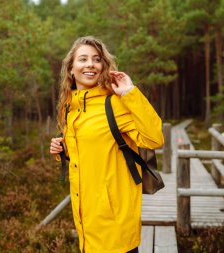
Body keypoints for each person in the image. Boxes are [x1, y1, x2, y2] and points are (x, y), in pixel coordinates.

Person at [49, 36, 164, 253]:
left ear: (103, 66)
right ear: (71, 69)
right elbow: (91, 151)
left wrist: (130, 93)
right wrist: (64, 151)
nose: (90, 64)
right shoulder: (69, 108)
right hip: (86, 221)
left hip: (115, 222)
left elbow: (154, 138)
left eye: (96, 59)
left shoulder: (115, 104)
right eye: (83, 59)